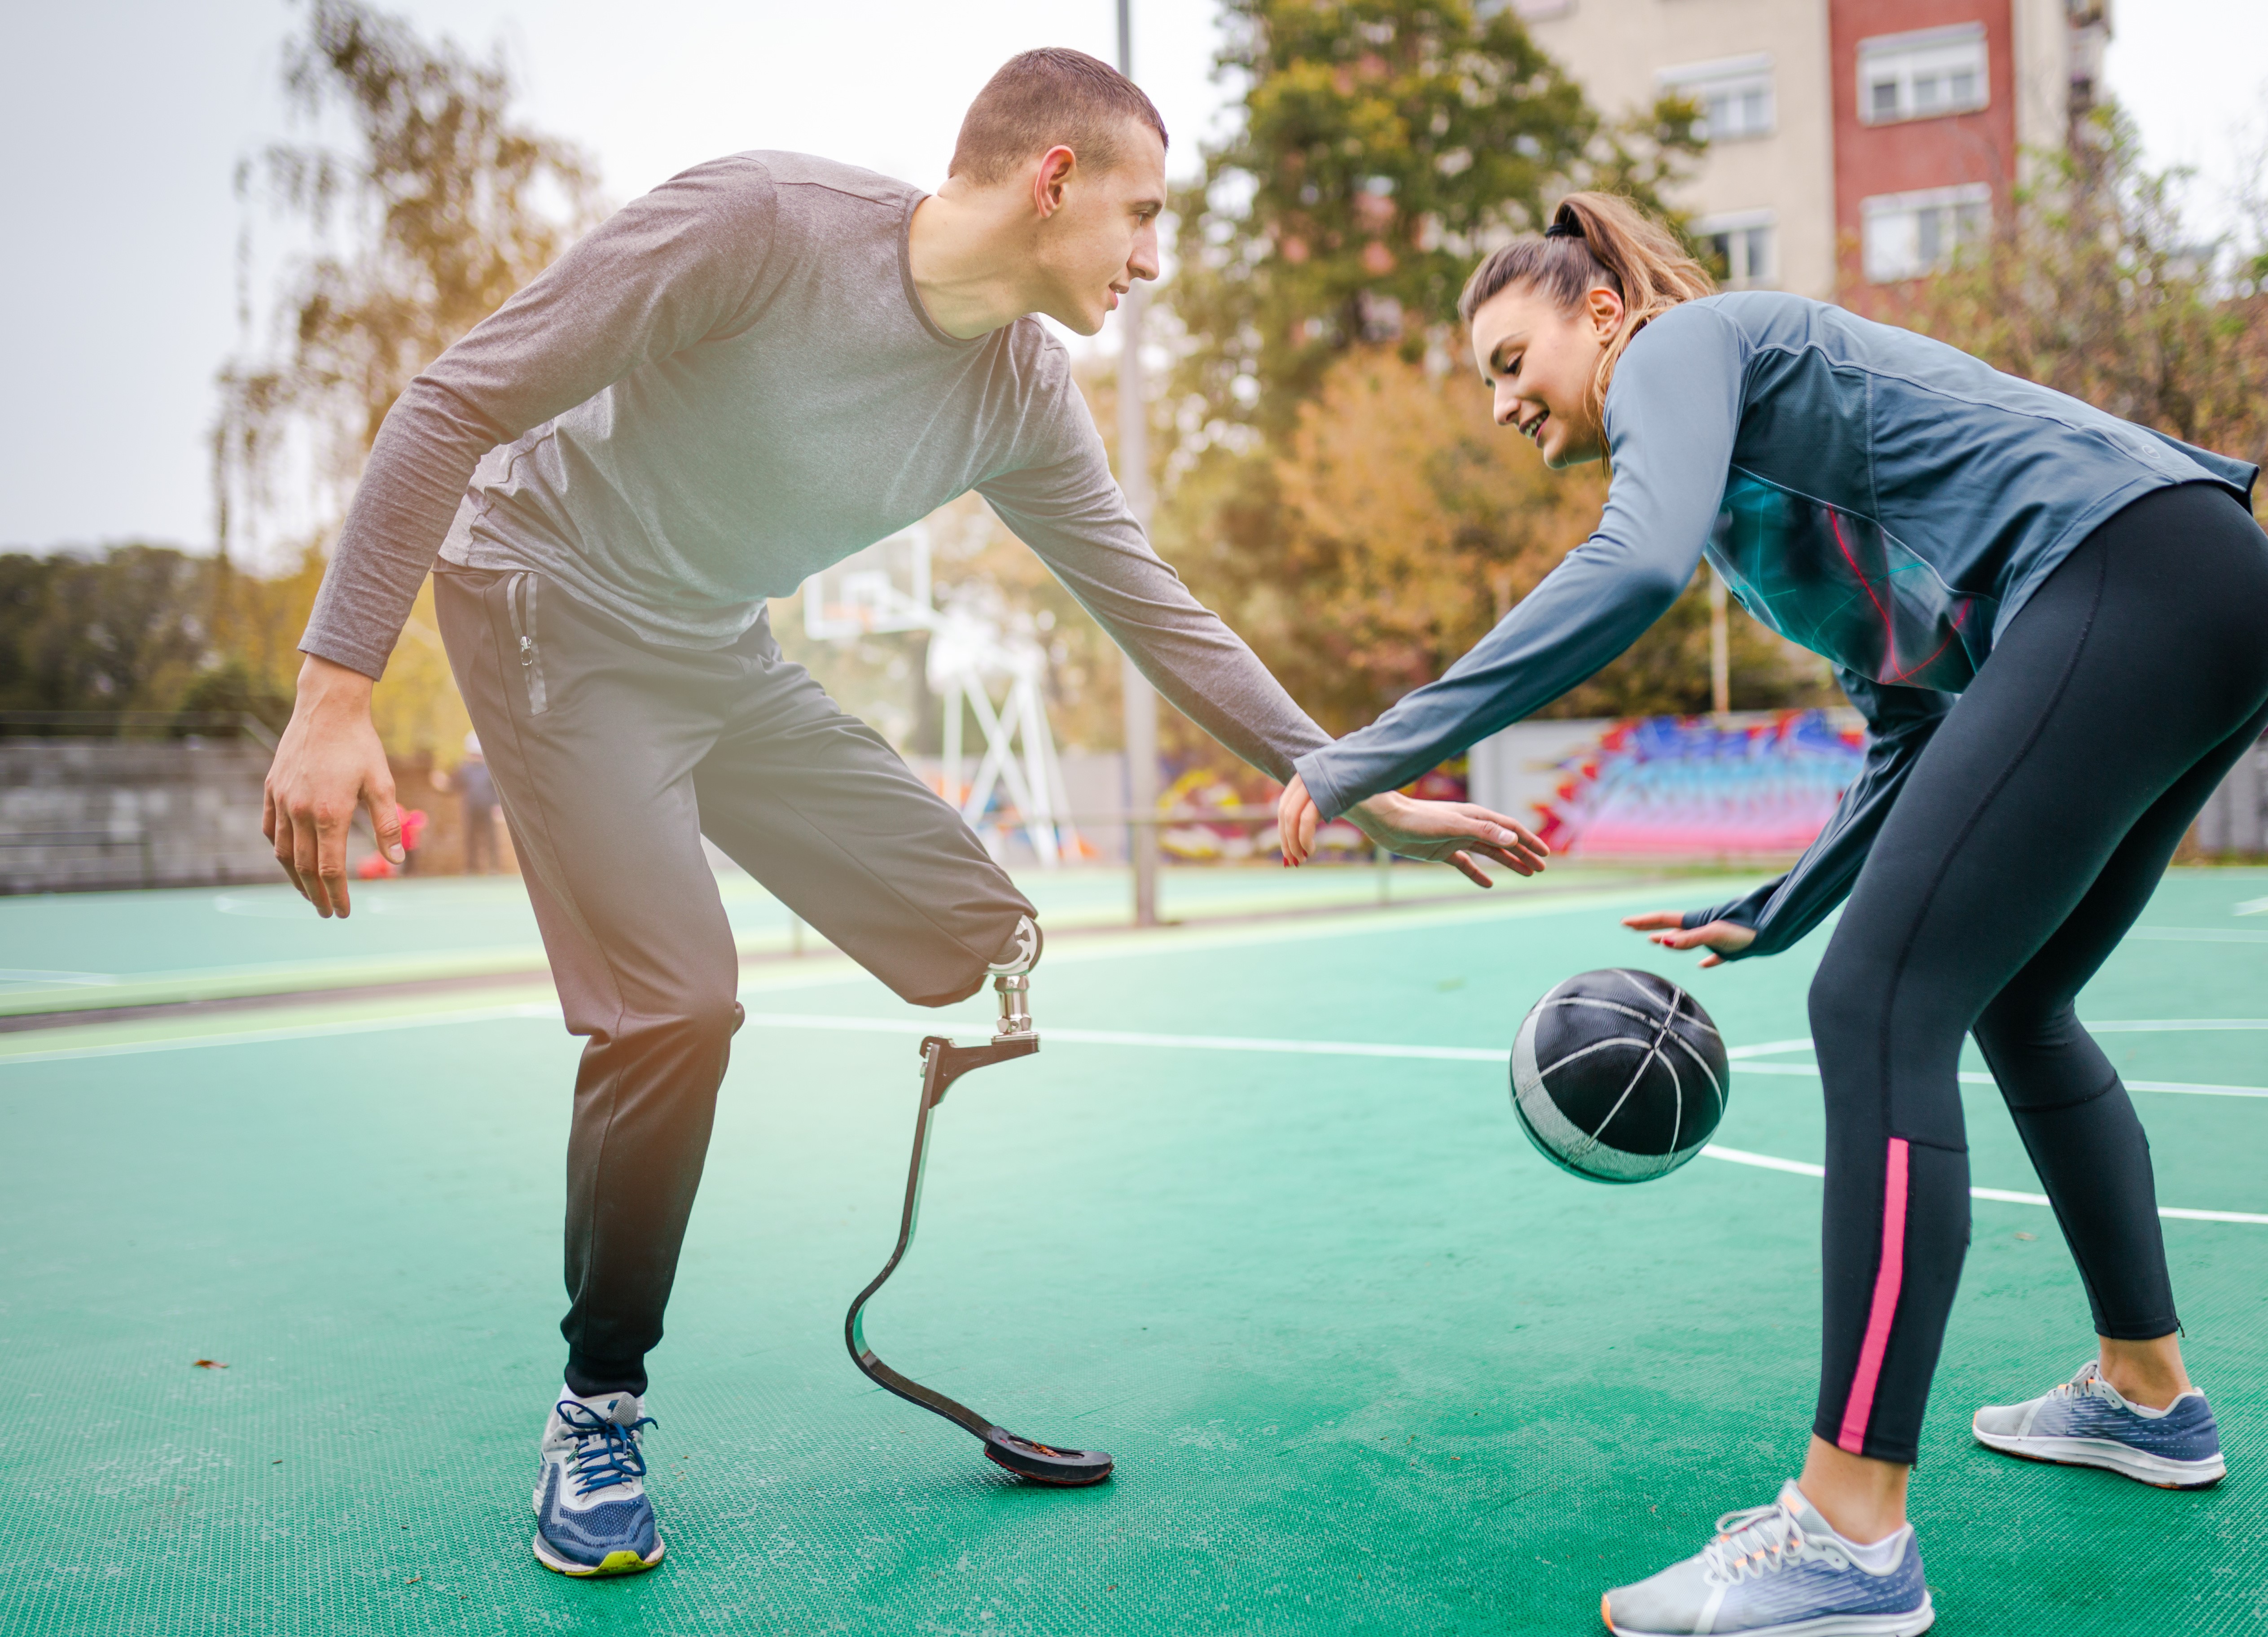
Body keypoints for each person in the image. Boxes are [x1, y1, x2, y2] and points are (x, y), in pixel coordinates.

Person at [260, 48, 1544, 1580]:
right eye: (1140, 217)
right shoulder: (757, 227)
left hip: (709, 644)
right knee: (678, 1005)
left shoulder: (1019, 388)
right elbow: (452, 396)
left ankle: (725, 888)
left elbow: (1155, 605)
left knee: (974, 926)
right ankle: (596, 1407)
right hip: (548, 600)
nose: (1152, 260)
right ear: (1050, 180)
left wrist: (1344, 780)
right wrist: (335, 690)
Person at [1277, 193, 2268, 1637]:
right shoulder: (1754, 513)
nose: (1502, 403)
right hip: (2208, 592)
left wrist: (1369, 751)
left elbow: (1624, 567)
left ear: (1604, 316)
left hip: (2130, 576)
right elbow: (1911, 721)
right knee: (2015, 997)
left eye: (1513, 359)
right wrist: (1779, 907)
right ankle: (2150, 1395)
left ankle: (1851, 1530)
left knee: (1878, 1008)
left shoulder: (1687, 345)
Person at [454, 731, 500, 874]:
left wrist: (498, 807)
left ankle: (494, 868)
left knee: (491, 839)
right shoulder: (465, 769)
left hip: (487, 808)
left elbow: (496, 789)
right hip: (471, 809)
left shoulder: (489, 769)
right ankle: (471, 868)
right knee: (471, 839)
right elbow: (455, 784)